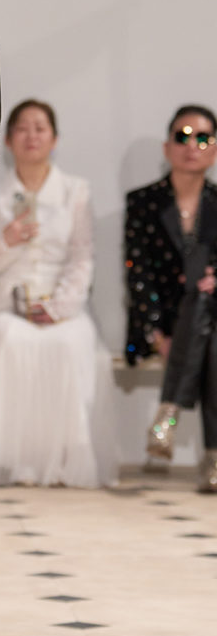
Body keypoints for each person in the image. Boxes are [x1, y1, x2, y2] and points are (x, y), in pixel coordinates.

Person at [0, 99, 116, 488]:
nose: (32, 136)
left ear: (54, 139)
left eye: (40, 128)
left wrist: (59, 307)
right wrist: (7, 241)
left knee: (70, 341)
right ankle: (13, 462)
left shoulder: (75, 191)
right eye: (23, 128)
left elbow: (82, 258)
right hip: (5, 303)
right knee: (11, 339)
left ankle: (64, 461)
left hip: (62, 305)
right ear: (9, 140)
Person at [124, 104, 217, 492]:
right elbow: (138, 275)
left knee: (206, 306)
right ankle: (213, 458)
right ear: (167, 147)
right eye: (183, 136)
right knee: (208, 332)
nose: (192, 146)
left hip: (210, 319)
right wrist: (157, 334)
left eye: (203, 138)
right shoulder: (143, 202)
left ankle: (169, 414)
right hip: (160, 324)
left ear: (214, 150)